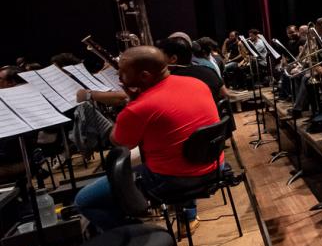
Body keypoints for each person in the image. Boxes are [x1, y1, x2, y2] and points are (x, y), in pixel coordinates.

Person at [74, 46, 225, 231]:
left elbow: (120, 142)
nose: (119, 79)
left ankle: (139, 236)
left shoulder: (139, 107)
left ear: (145, 76)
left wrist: (131, 103)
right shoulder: (196, 83)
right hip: (215, 166)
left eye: (122, 73)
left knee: (85, 201)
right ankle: (187, 215)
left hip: (174, 180)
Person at [157, 37, 226, 103]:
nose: (158, 59)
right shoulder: (209, 70)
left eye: (160, 55)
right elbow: (224, 94)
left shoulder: (168, 81)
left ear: (173, 59)